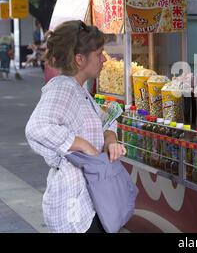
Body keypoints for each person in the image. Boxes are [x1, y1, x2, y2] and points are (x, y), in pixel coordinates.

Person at [25, 20, 126, 233]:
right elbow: (37, 127)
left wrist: (110, 140)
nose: (104, 59)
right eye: (98, 54)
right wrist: (84, 146)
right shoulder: (63, 89)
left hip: (88, 202)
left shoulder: (78, 89)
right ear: (80, 59)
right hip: (74, 208)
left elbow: (107, 120)